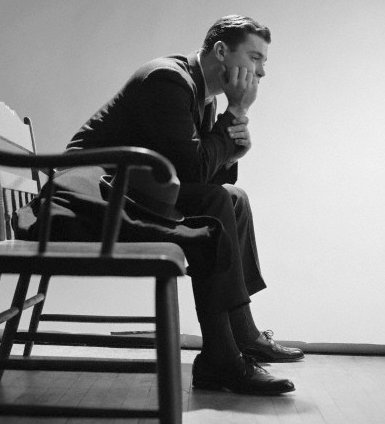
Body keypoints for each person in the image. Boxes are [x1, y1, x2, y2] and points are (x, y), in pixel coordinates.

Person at [65, 15, 304, 395]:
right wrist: (237, 113)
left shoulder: (201, 96)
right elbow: (192, 171)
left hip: (127, 196)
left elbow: (205, 178)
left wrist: (231, 143)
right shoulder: (167, 79)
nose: (261, 73)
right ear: (222, 51)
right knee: (215, 202)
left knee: (232, 200)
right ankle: (224, 356)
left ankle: (239, 337)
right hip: (88, 204)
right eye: (255, 58)